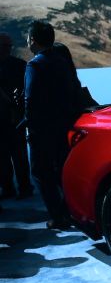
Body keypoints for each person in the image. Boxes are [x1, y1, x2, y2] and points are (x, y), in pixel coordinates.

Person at [22, 21, 78, 229]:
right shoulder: (62, 61)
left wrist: (30, 127)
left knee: (40, 172)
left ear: (32, 40)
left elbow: (30, 100)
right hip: (63, 124)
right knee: (60, 170)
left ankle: (58, 216)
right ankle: (70, 211)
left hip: (42, 128)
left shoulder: (35, 65)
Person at [0, 32, 32, 200]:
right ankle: (11, 187)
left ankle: (22, 187)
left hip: (14, 118)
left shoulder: (21, 66)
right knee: (6, 157)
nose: (7, 49)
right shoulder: (21, 65)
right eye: (4, 46)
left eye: (8, 46)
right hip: (11, 118)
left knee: (17, 156)